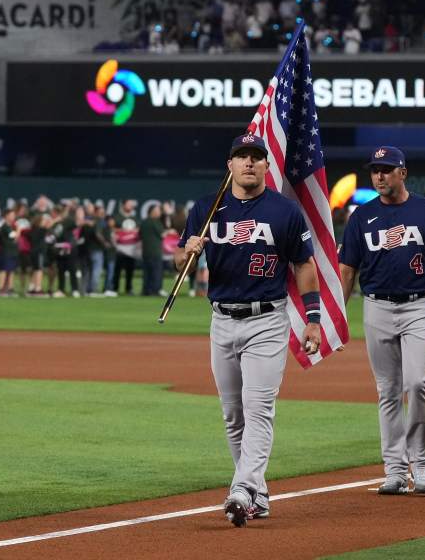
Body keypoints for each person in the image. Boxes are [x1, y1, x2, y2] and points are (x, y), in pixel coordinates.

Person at [175, 134, 322, 527]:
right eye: (242, 156)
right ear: (231, 165)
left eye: (256, 157)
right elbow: (179, 263)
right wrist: (186, 251)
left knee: (259, 407)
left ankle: (242, 488)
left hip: (266, 321)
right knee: (232, 414)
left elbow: (304, 266)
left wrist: (312, 318)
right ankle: (258, 492)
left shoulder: (284, 212)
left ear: (266, 165)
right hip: (221, 319)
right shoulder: (207, 208)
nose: (249, 163)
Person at [338, 146, 425, 495]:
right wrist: (336, 314)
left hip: (420, 306)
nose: (379, 175)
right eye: (375, 170)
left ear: (403, 173)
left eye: (386, 169)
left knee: (417, 382)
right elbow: (347, 268)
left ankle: (422, 463)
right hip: (376, 306)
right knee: (387, 391)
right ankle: (395, 469)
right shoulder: (361, 217)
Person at [113, 200, 140, 295]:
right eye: (129, 204)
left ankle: (128, 288)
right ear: (123, 205)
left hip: (131, 248)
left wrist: (134, 231)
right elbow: (112, 229)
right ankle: (114, 288)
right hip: (120, 247)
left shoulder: (135, 218)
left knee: (130, 269)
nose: (131, 206)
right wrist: (123, 231)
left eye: (132, 205)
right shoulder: (117, 217)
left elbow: (138, 230)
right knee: (117, 269)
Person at [140, 203, 166, 296]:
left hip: (145, 251)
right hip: (155, 251)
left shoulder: (144, 222)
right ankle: (156, 290)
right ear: (153, 212)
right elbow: (162, 234)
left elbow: (140, 235)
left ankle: (146, 290)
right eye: (158, 211)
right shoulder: (156, 222)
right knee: (156, 272)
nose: (160, 213)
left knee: (147, 272)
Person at [0, 208, 22, 297]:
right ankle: (1, 289)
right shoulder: (5, 227)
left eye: (13, 215)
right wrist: (19, 230)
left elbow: (15, 239)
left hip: (13, 252)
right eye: (11, 215)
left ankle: (10, 289)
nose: (13, 217)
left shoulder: (11, 226)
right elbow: (14, 236)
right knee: (4, 270)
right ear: (6, 216)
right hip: (6, 252)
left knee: (11, 271)